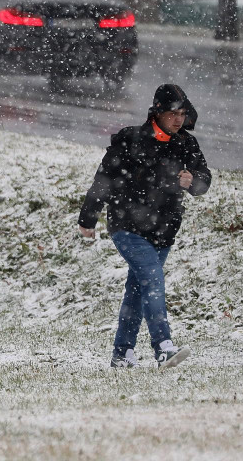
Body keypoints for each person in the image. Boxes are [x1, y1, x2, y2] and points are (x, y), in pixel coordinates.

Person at [78, 84, 212, 369]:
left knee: (137, 289)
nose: (178, 119)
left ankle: (122, 353)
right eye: (172, 113)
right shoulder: (131, 139)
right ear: (157, 113)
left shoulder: (186, 143)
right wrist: (88, 219)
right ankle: (163, 347)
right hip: (127, 225)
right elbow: (103, 179)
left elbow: (203, 180)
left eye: (183, 113)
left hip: (164, 230)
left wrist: (193, 182)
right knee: (152, 280)